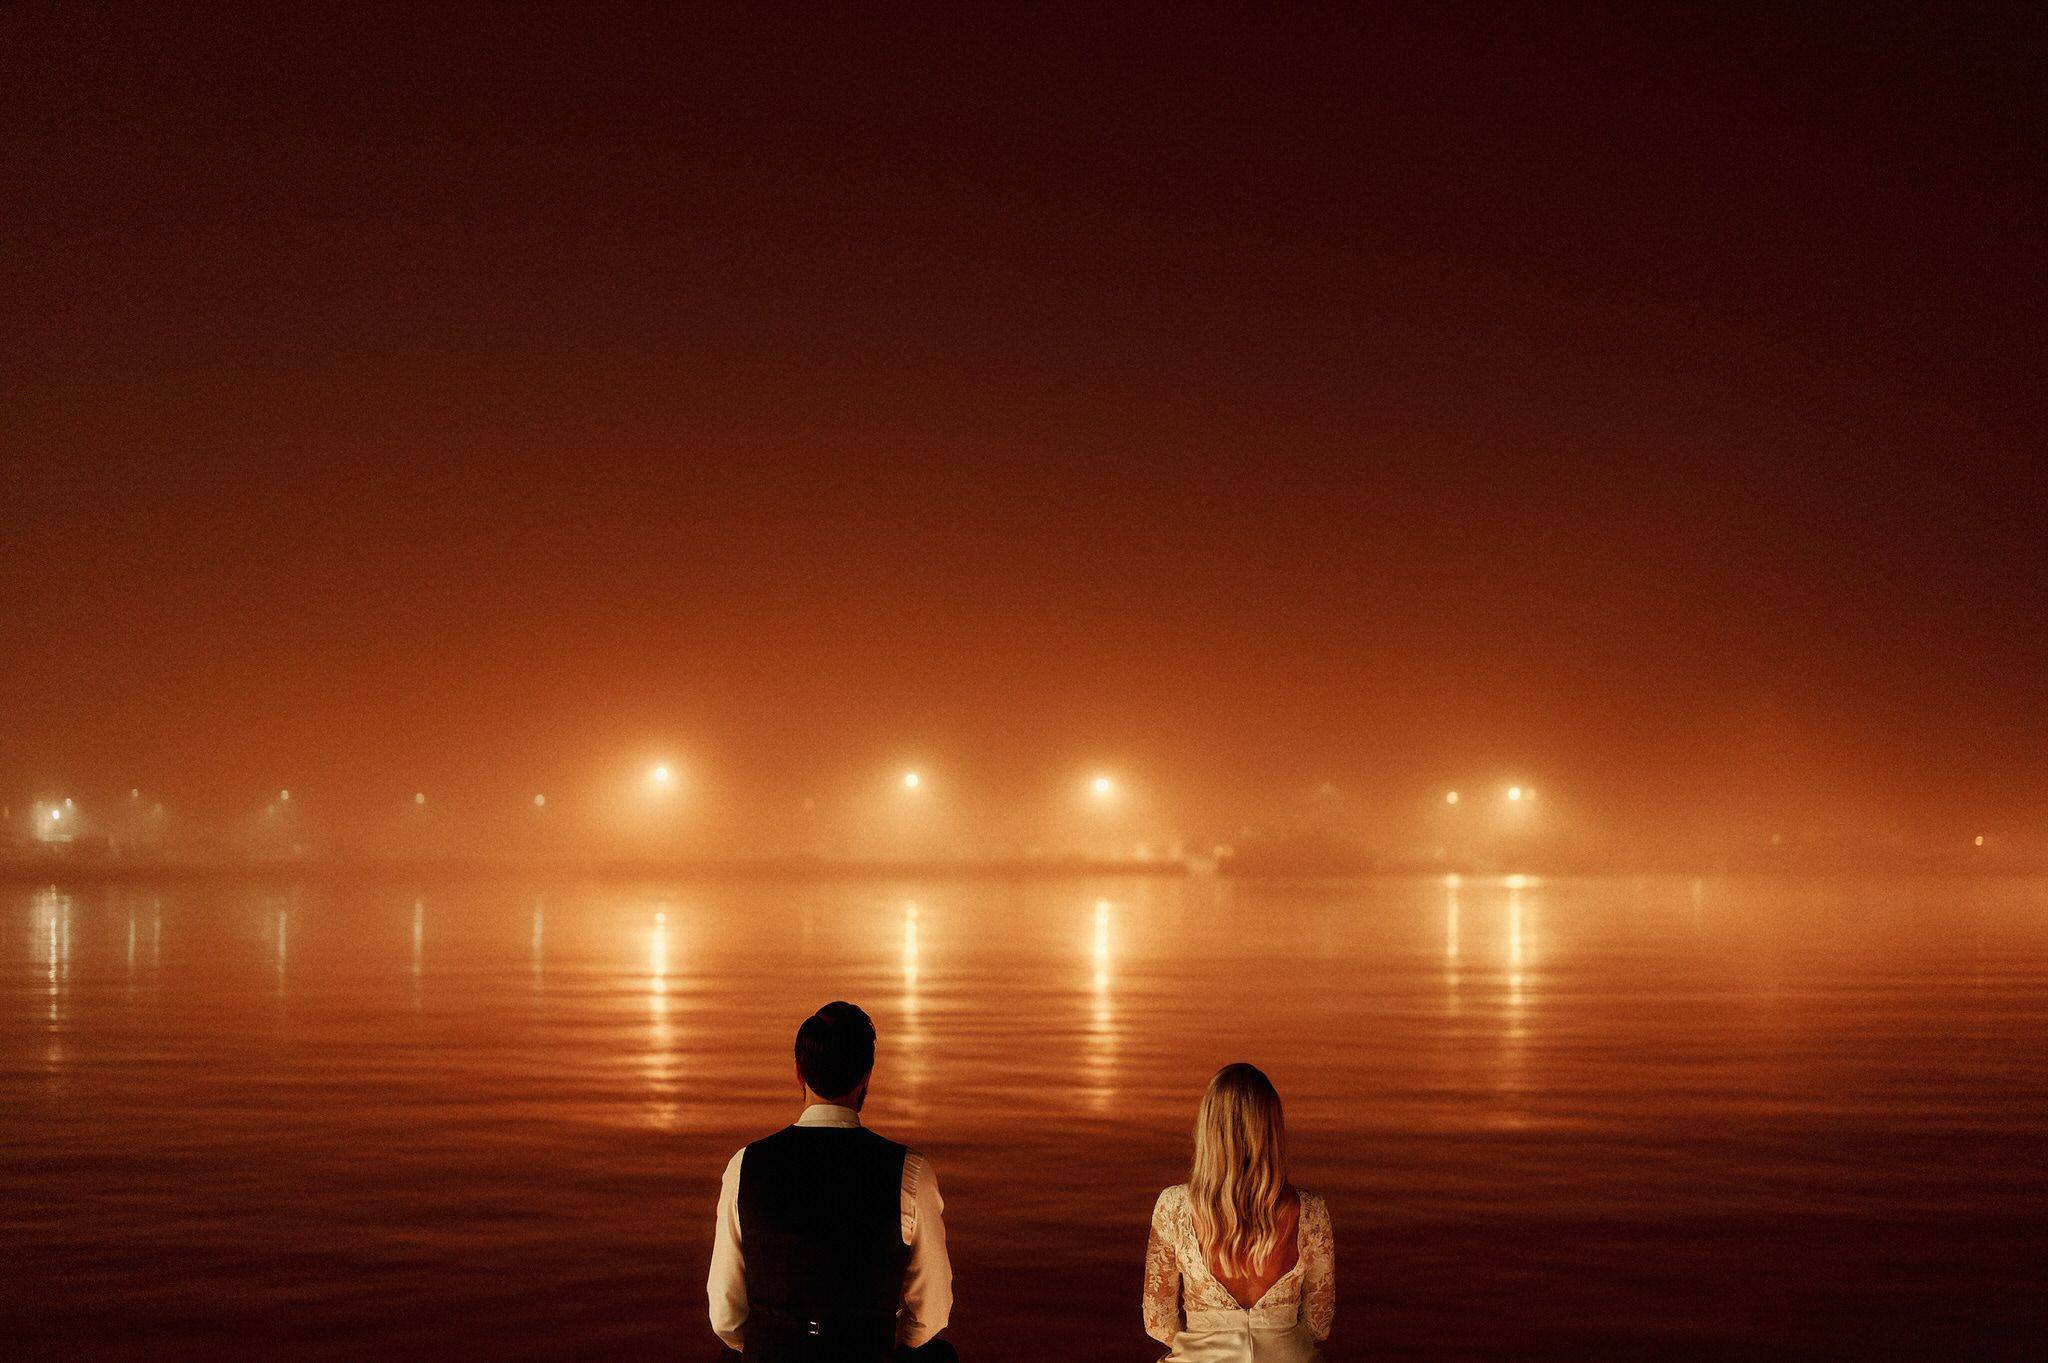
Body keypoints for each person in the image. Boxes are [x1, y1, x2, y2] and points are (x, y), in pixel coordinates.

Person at [709, 1001, 955, 1361]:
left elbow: (725, 1317)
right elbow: (932, 1312)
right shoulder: (910, 1171)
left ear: (798, 1073)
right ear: (866, 1076)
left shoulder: (745, 1166)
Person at [1143, 1064, 1334, 1361]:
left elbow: (1158, 1321)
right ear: (1272, 1131)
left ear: (1208, 1129)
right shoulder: (1309, 1211)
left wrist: (1208, 1342)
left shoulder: (1174, 1207)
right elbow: (1317, 1324)